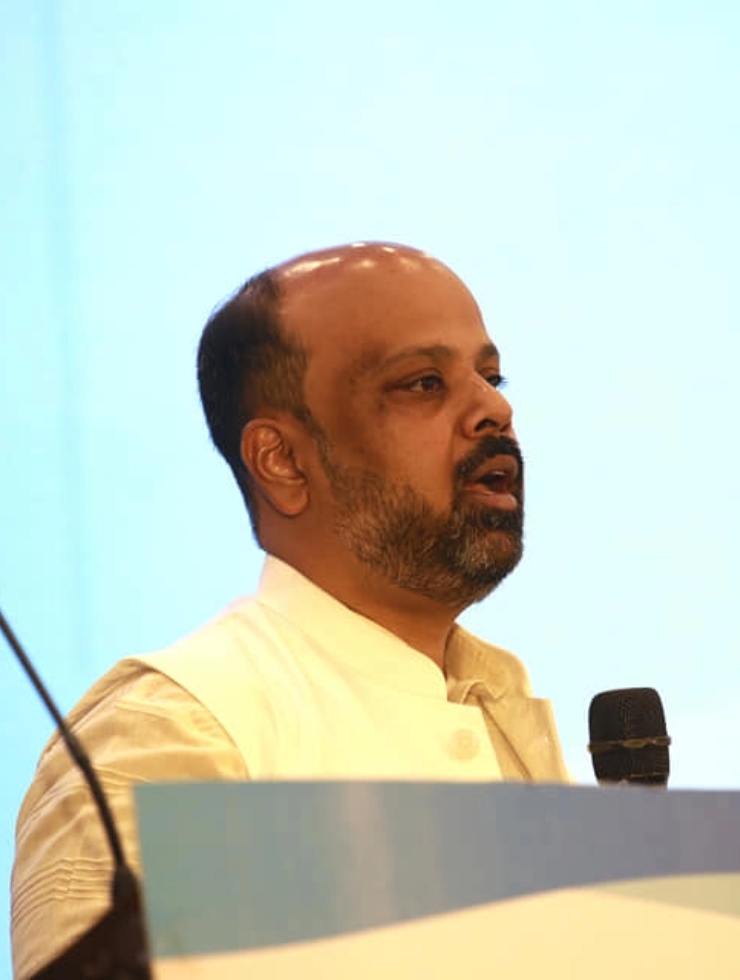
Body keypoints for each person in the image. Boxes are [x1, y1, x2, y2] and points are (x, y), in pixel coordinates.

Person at [11, 242, 569, 978]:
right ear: (282, 460)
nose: (495, 409)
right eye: (424, 383)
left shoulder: (498, 702)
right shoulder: (165, 730)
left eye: (490, 378)